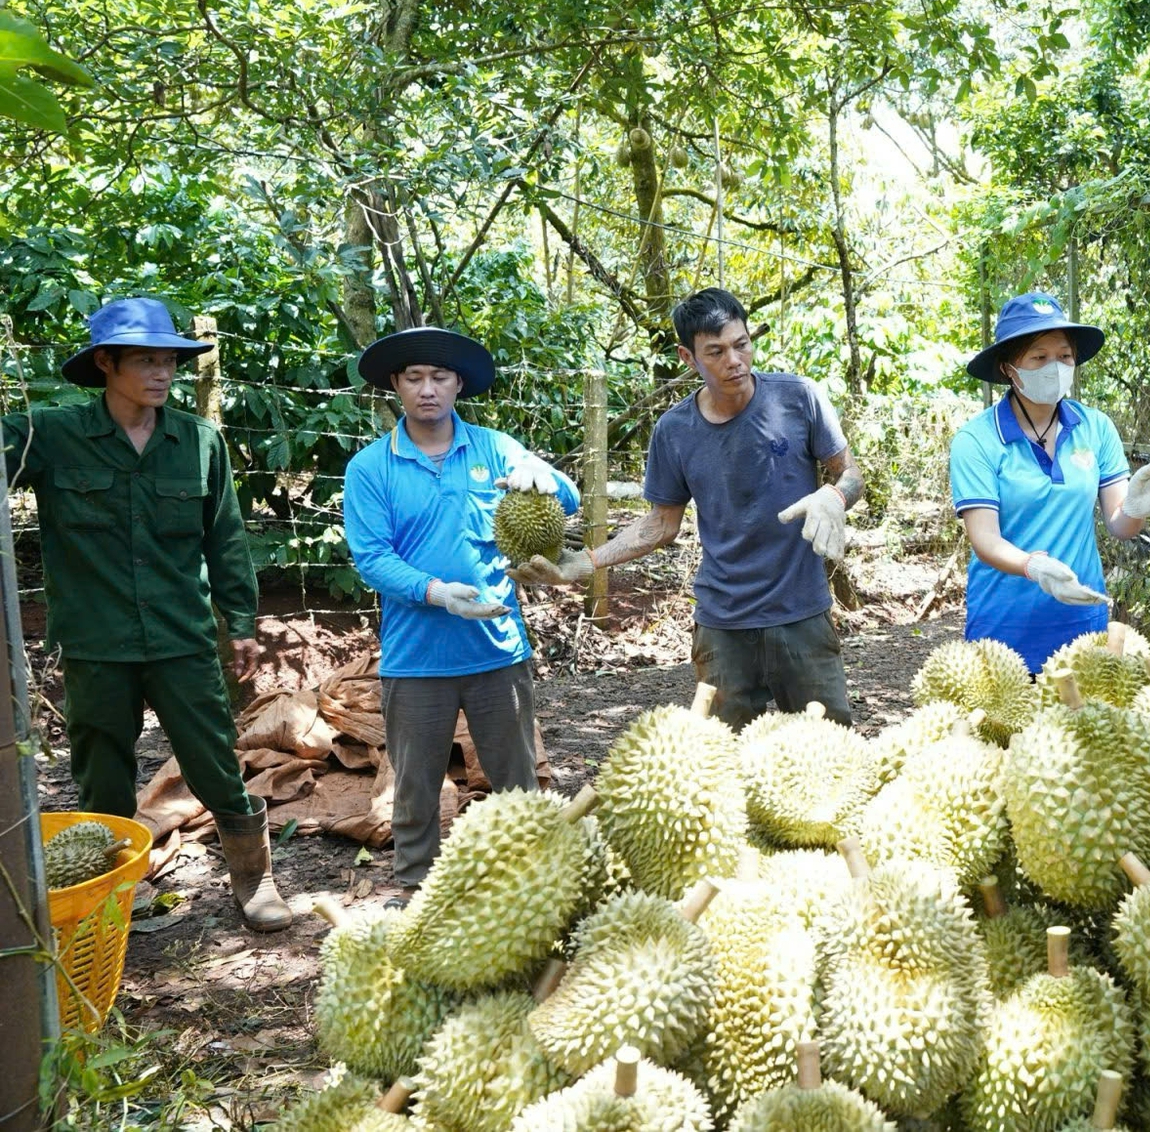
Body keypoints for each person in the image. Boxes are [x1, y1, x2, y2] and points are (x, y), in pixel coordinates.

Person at [1, 299, 289, 929]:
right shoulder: (50, 433)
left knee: (213, 757)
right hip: (94, 641)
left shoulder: (198, 443)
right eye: (146, 361)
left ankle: (254, 879)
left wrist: (239, 622)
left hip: (181, 637)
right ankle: (109, 896)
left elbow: (226, 540)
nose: (162, 374)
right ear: (106, 363)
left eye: (170, 362)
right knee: (102, 770)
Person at [510, 288, 862, 728]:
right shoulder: (674, 431)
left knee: (830, 752)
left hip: (803, 614)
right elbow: (661, 524)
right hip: (723, 624)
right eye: (715, 351)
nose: (734, 360)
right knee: (717, 763)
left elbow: (850, 472)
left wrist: (835, 496)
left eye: (741, 344)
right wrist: (584, 562)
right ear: (688, 358)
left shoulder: (799, 398)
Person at [343, 326, 580, 886]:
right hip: (416, 655)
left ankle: (533, 879)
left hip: (497, 649)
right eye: (415, 378)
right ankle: (413, 884)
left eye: (440, 377)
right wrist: (436, 592)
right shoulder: (370, 468)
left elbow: (566, 498)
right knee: (416, 785)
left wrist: (543, 475)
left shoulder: (496, 448)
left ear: (458, 385)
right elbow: (372, 557)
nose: (428, 389)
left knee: (517, 777)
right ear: (396, 386)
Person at [948, 292, 1150, 672]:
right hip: (1004, 632)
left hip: (1082, 625)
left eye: (1064, 356)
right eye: (1039, 357)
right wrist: (1033, 566)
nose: (1054, 367)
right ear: (1009, 367)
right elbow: (985, 540)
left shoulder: (1096, 427)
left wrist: (1141, 507)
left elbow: (1120, 524)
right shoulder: (977, 440)